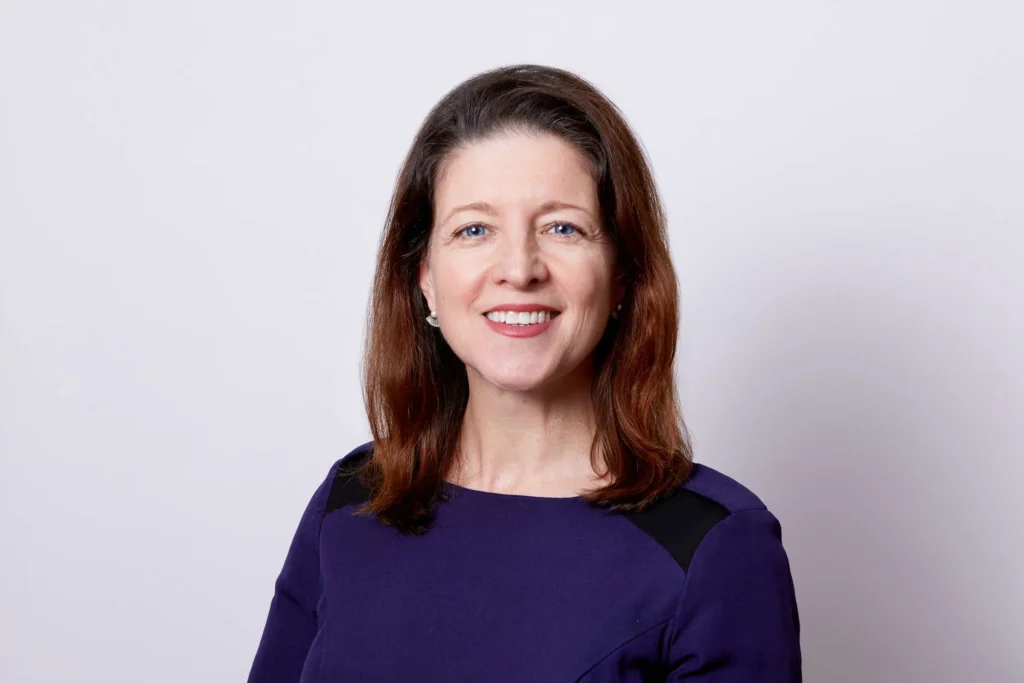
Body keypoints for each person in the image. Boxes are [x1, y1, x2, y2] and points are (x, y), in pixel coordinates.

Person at [247, 64, 801, 682]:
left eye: (562, 227)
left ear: (621, 274)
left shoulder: (717, 547)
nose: (519, 267)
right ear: (425, 276)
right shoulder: (351, 500)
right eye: (474, 229)